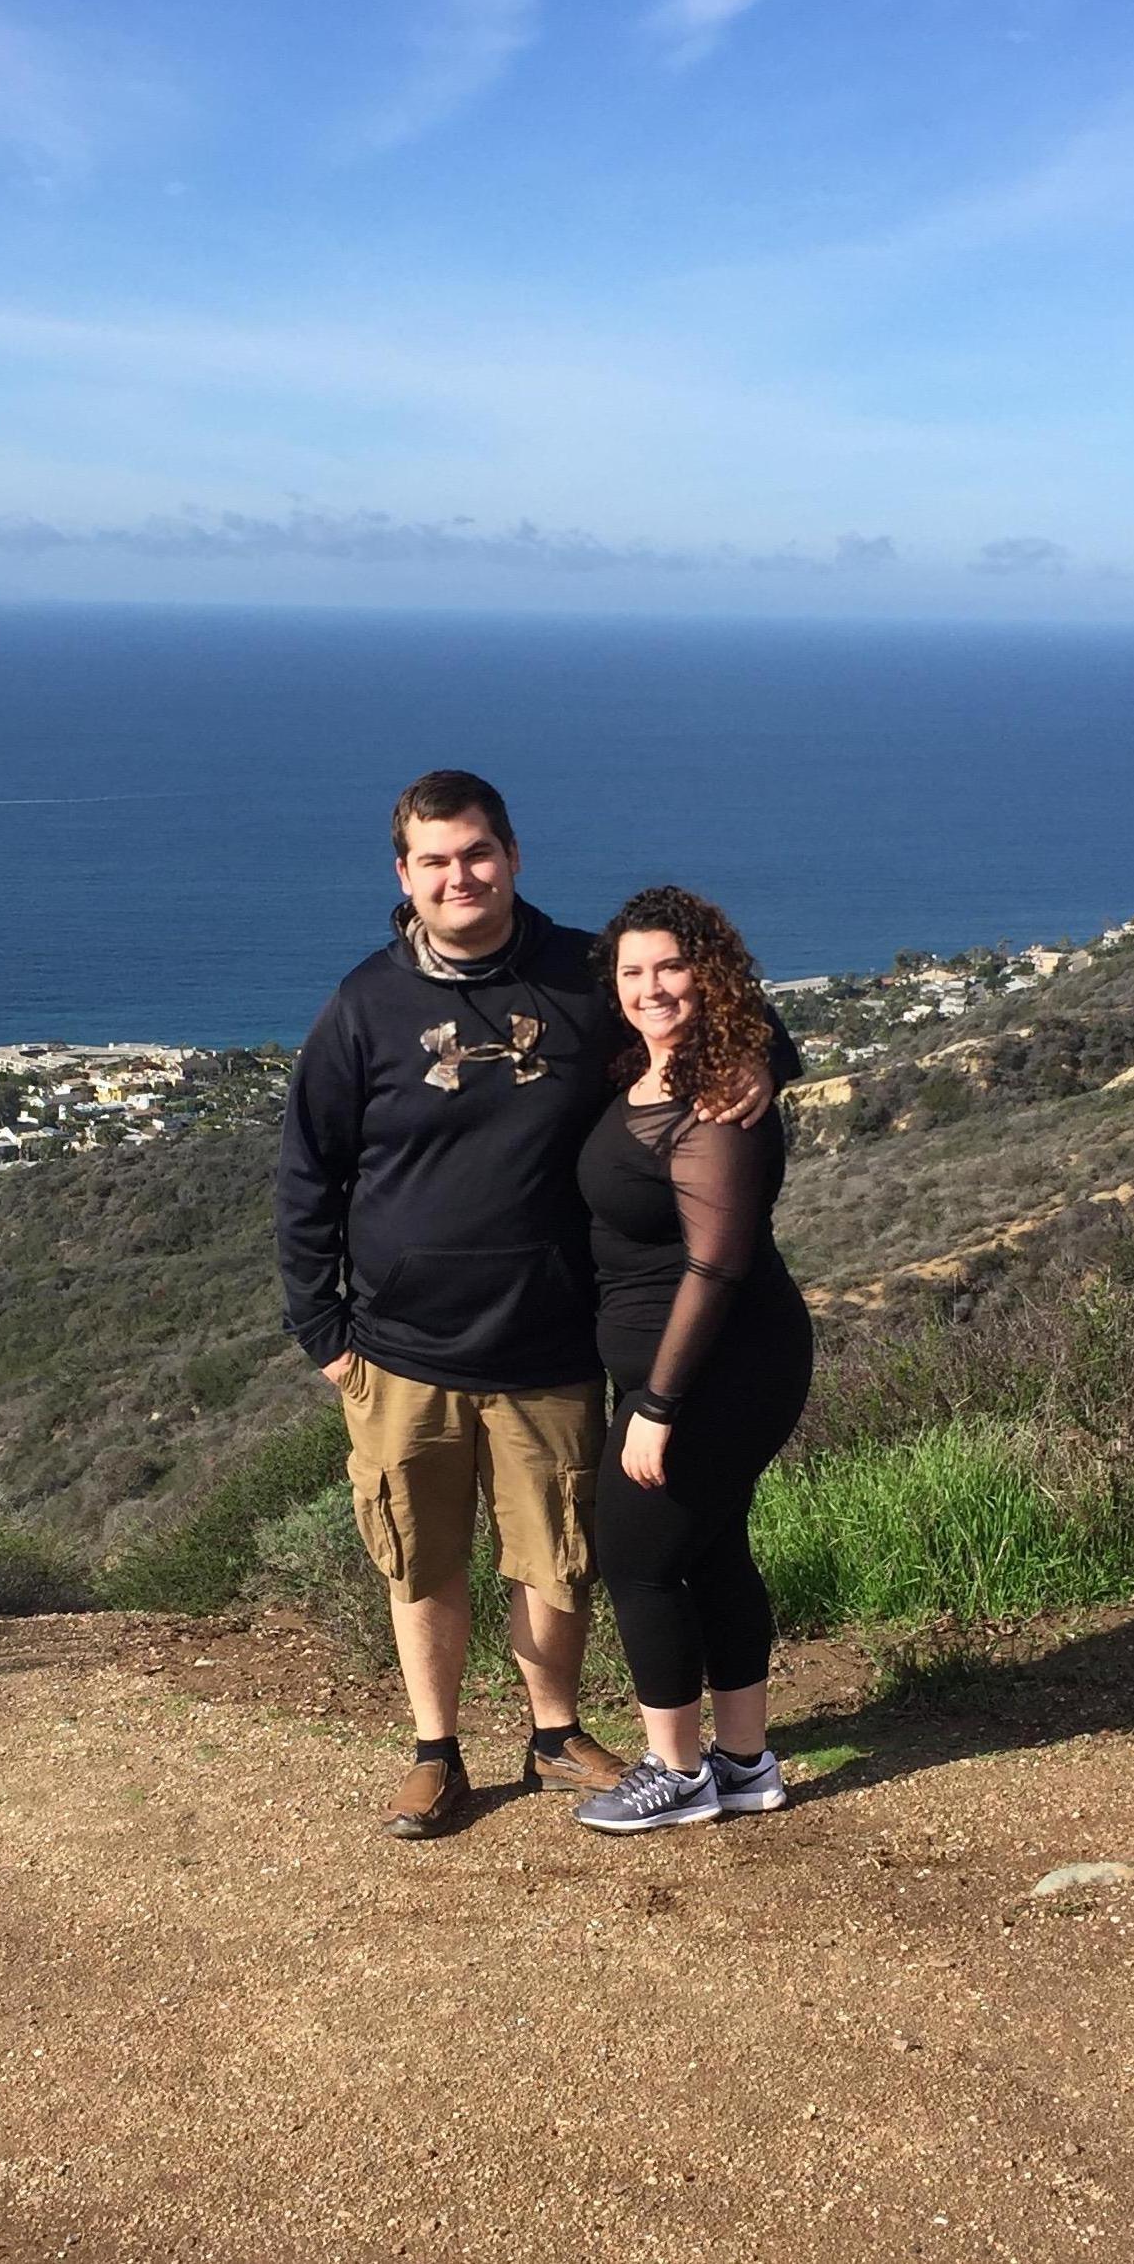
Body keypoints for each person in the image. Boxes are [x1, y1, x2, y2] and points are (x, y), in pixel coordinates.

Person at [275, 772, 787, 1840]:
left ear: (510, 854)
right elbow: (307, 1172)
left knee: (554, 1556)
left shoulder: (579, 974)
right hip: (398, 1347)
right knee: (420, 1556)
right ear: (403, 875)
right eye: (434, 860)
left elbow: (701, 1006)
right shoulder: (364, 1002)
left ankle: (554, 1734)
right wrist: (321, 1334)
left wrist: (768, 1059)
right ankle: (434, 1748)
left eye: (476, 853)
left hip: (550, 1342)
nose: (459, 876)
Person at [570, 887, 814, 1834]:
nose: (649, 986)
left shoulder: (714, 1100)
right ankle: (746, 1763)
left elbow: (717, 1260)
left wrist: (661, 1401)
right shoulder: (648, 1064)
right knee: (710, 1548)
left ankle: (675, 1770)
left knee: (637, 1559)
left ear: (708, 972)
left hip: (716, 1366)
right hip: (691, 1365)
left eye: (670, 965)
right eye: (632, 970)